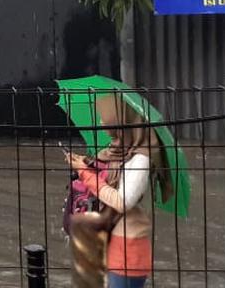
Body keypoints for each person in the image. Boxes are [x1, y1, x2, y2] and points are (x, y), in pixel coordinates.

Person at [65, 95, 174, 288]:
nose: (100, 121)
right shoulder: (120, 149)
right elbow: (108, 173)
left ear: (120, 120)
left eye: (105, 117)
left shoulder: (141, 159)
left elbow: (121, 202)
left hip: (127, 250)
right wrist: (85, 163)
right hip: (109, 241)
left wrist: (84, 173)